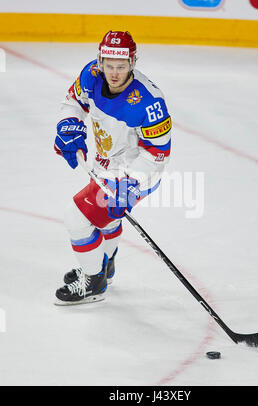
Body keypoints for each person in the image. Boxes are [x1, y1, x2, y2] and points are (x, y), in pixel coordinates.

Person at [54, 31, 172, 305]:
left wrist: (130, 183)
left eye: (121, 66)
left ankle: (94, 281)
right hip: (104, 164)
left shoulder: (150, 103)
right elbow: (73, 102)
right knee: (108, 221)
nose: (115, 73)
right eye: (109, 66)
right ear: (100, 61)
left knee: (76, 219)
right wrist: (68, 125)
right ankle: (104, 266)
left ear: (132, 62)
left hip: (135, 175)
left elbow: (158, 154)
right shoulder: (91, 75)